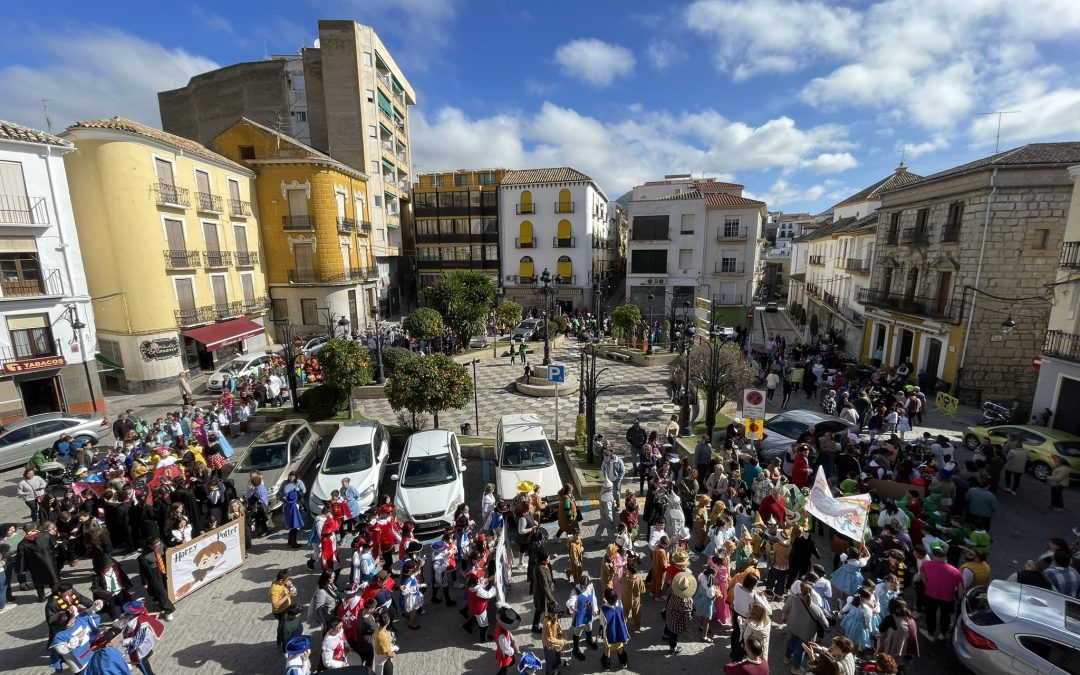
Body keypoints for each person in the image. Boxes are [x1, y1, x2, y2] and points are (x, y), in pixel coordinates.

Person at [784, 581, 830, 671]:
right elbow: (826, 624)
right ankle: (795, 668)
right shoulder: (817, 609)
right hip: (806, 633)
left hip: (793, 627)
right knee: (800, 650)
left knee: (791, 641)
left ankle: (786, 658)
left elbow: (785, 610)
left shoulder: (793, 599)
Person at [918, 547, 962, 641]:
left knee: (930, 614)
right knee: (945, 616)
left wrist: (928, 585)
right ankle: (943, 634)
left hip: (930, 595)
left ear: (934, 556)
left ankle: (930, 633)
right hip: (948, 598)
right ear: (945, 557)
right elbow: (961, 589)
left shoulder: (926, 564)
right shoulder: (956, 571)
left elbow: (923, 577)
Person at [120, 600, 164, 675]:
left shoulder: (142, 624)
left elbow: (138, 640)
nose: (126, 613)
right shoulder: (135, 618)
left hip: (140, 647)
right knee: (146, 651)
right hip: (144, 643)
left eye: (129, 612)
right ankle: (149, 653)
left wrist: (125, 642)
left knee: (142, 664)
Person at [137, 537, 175, 621]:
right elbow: (143, 570)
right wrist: (145, 582)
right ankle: (168, 610)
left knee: (166, 587)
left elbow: (169, 552)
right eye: (156, 546)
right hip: (154, 573)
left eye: (159, 544)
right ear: (150, 546)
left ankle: (160, 600)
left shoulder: (162, 546)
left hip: (165, 568)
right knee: (160, 591)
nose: (158, 546)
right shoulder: (144, 556)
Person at [664, 571, 696, 655]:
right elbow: (687, 615)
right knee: (674, 634)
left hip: (669, 611)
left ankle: (665, 635)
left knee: (668, 624)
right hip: (676, 620)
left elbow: (669, 596)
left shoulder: (673, 588)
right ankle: (673, 649)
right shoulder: (686, 601)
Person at [598, 587, 630, 670]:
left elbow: (602, 623)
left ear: (606, 598)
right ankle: (623, 663)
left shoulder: (603, 609)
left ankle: (607, 666)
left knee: (607, 649)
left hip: (609, 634)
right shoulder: (619, 603)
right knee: (620, 648)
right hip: (620, 631)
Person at [495, 607, 522, 675]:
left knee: (512, 661)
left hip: (502, 650)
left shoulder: (499, 624)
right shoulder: (502, 637)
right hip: (505, 656)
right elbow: (507, 650)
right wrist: (513, 650)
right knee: (504, 671)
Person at [541, 602, 566, 675]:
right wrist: (561, 642)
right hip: (549, 645)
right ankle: (550, 673)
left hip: (556, 642)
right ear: (548, 613)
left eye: (556, 613)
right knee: (550, 661)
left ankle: (557, 669)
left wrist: (560, 631)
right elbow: (550, 639)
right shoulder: (547, 623)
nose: (555, 616)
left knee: (557, 657)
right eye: (553, 614)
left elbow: (557, 624)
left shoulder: (555, 616)